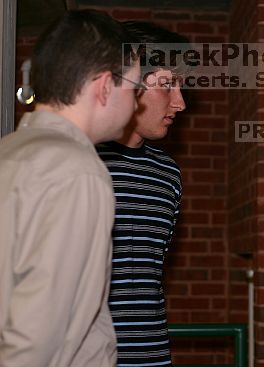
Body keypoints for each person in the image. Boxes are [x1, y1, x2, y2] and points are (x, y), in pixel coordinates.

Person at [0, 10, 140, 367]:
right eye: (134, 88)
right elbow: (39, 331)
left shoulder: (9, 152)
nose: (136, 103)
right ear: (105, 86)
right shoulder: (77, 171)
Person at [96, 21, 187, 367]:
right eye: (167, 85)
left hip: (153, 357)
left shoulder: (168, 175)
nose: (180, 103)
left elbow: (149, 279)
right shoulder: (78, 163)